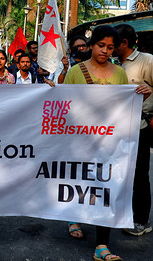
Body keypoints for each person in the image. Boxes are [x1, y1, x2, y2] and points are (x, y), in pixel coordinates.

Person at [61, 25, 150, 261]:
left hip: (110, 143)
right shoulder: (75, 71)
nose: (105, 51)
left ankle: (102, 245)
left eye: (110, 47)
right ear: (92, 45)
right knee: (81, 182)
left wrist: (141, 94)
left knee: (105, 188)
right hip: (81, 142)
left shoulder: (120, 73)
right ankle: (75, 216)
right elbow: (65, 105)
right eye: (101, 45)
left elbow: (124, 106)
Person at [114, 24, 152, 236]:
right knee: (118, 172)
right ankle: (122, 214)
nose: (109, 48)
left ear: (124, 43)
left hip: (139, 127)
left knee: (139, 175)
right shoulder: (112, 64)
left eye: (113, 44)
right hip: (115, 129)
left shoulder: (147, 61)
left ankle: (141, 220)